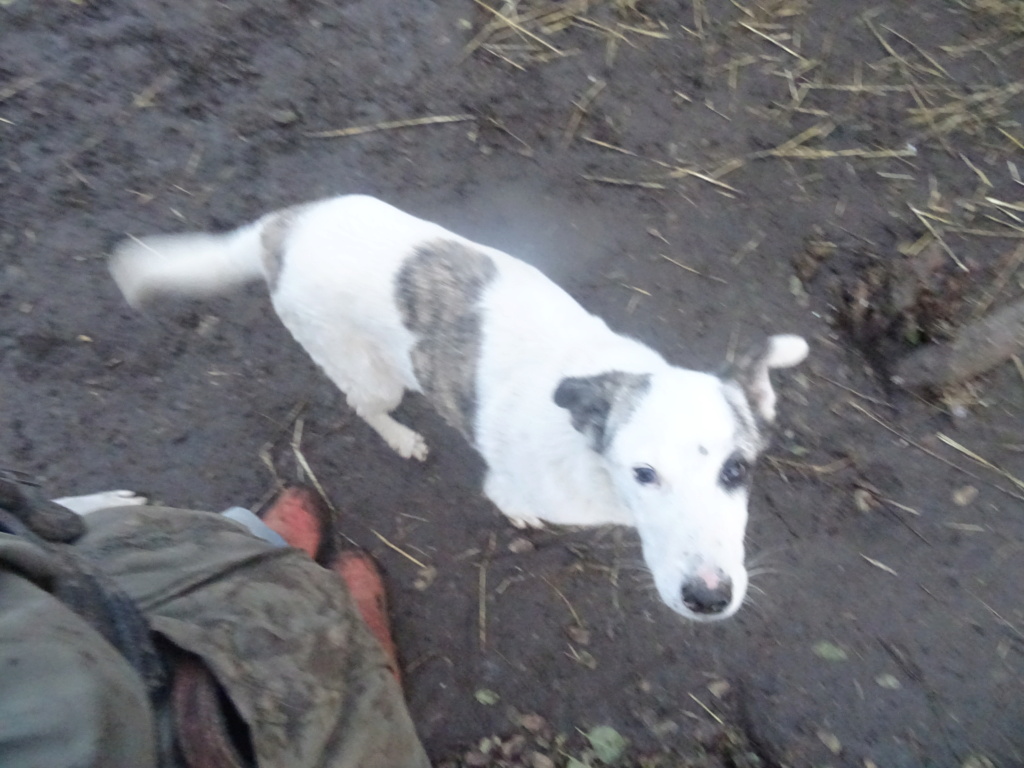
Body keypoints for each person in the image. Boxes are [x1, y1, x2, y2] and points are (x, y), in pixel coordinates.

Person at [0, 472, 430, 768]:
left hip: (56, 578)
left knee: (182, 543)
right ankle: (366, 683)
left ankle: (261, 554)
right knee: (353, 728)